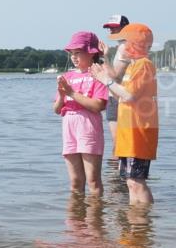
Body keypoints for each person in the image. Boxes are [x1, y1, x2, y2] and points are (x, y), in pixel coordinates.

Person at [91, 23, 158, 205]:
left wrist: (106, 80)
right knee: (130, 182)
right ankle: (135, 221)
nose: (119, 47)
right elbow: (119, 93)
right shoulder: (133, 66)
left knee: (137, 181)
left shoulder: (143, 65)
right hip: (129, 131)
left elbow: (129, 96)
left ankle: (142, 222)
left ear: (133, 45)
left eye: (122, 42)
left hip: (139, 131)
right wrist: (103, 74)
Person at [53, 31, 108, 197]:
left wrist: (71, 93)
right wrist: (62, 96)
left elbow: (97, 105)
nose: (74, 57)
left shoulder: (98, 74)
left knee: (93, 181)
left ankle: (95, 220)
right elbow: (56, 109)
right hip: (69, 127)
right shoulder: (67, 76)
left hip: (88, 126)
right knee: (76, 181)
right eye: (71, 54)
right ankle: (76, 220)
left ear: (91, 53)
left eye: (78, 53)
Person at [99, 14, 131, 146]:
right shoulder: (124, 46)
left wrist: (104, 57)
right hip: (121, 96)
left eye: (114, 27)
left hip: (117, 97)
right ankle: (117, 167)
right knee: (121, 144)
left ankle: (116, 167)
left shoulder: (125, 47)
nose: (111, 30)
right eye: (109, 28)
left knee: (118, 144)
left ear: (125, 28)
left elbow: (116, 77)